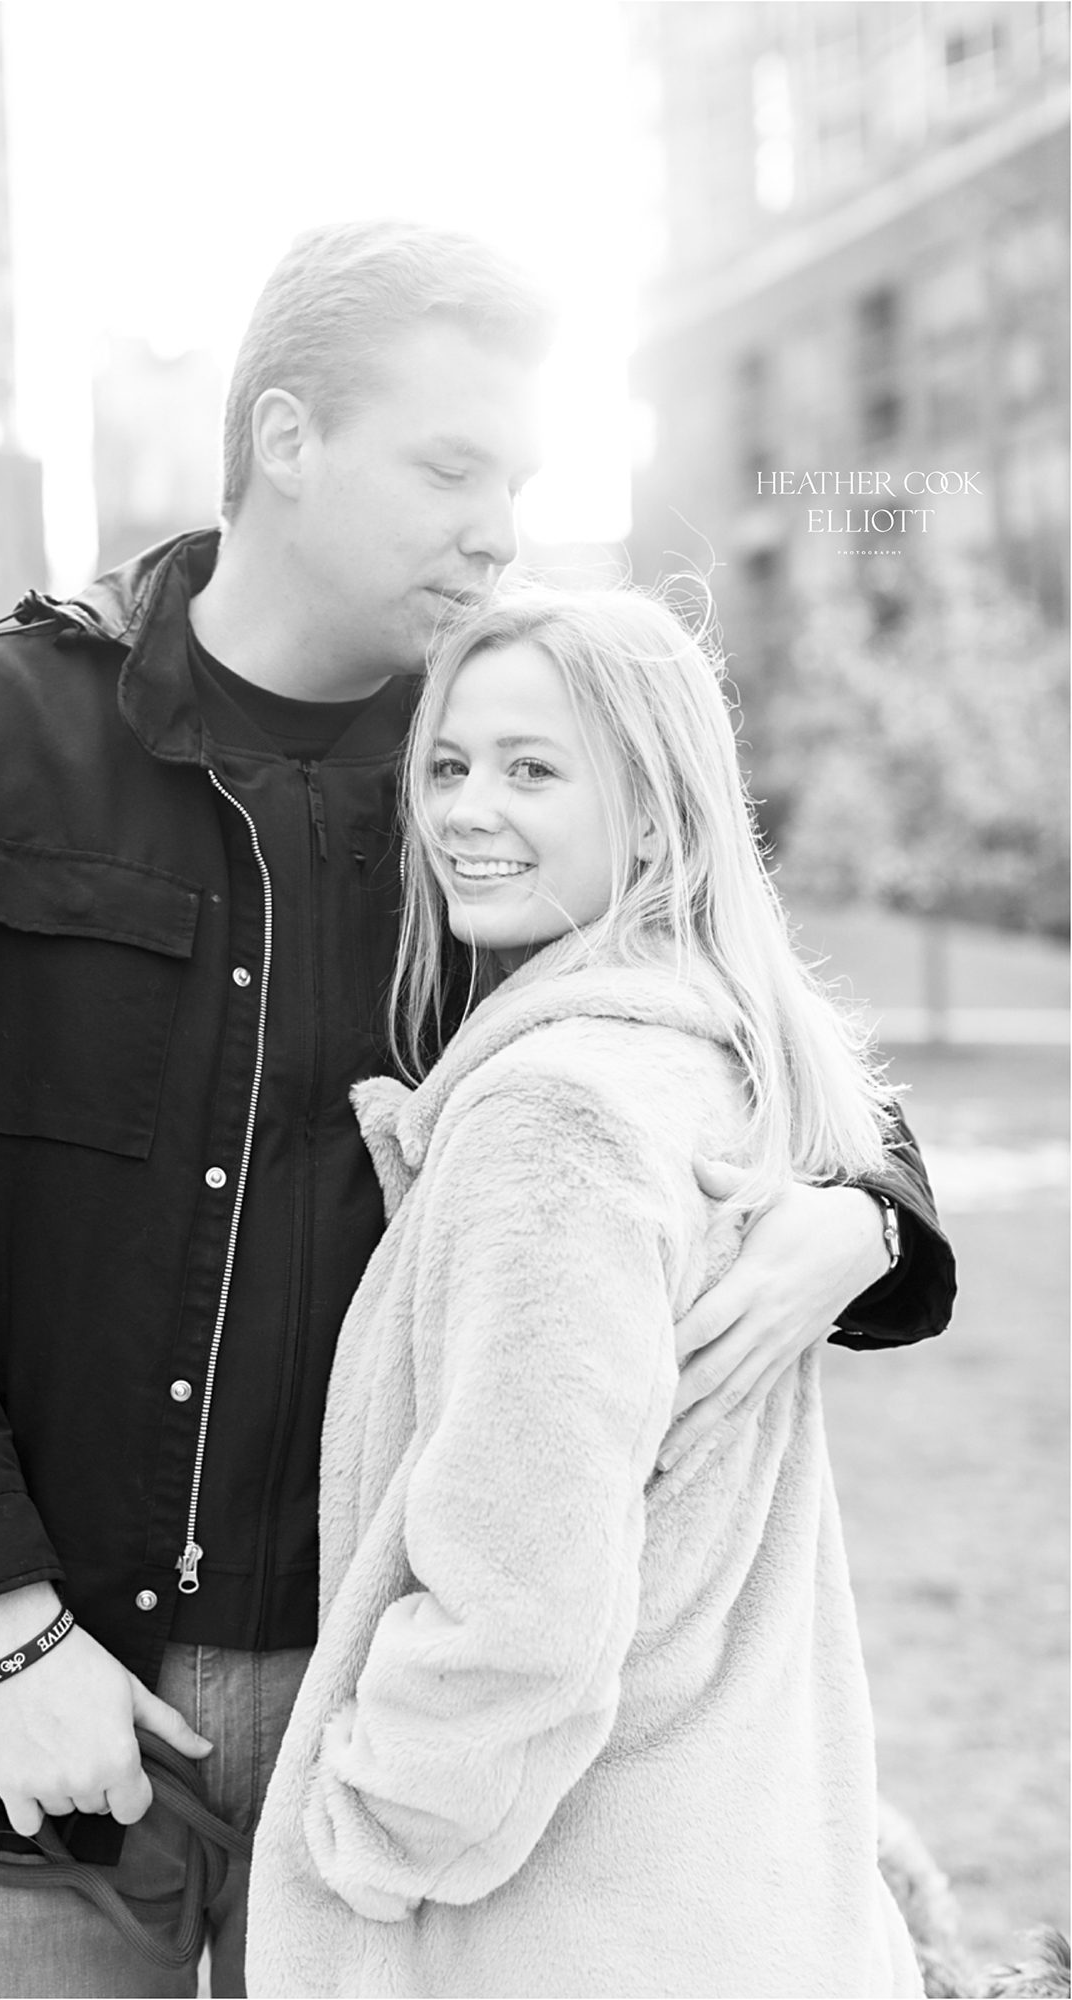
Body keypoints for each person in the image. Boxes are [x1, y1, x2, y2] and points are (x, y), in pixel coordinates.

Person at [0, 221, 953, 2000]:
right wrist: (8, 1634)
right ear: (287, 439)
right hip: (37, 1712)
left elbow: (753, 1018)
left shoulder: (495, 787)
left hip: (397, 1722)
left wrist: (864, 1212)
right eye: (453, 466)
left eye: (521, 479)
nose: (499, 525)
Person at [246, 585, 931, 2000]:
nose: (464, 809)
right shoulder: (721, 1065)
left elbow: (521, 1602)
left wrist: (362, 1835)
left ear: (648, 816)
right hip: (717, 1885)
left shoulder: (554, 1117)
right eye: (447, 765)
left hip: (559, 1923)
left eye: (531, 767)